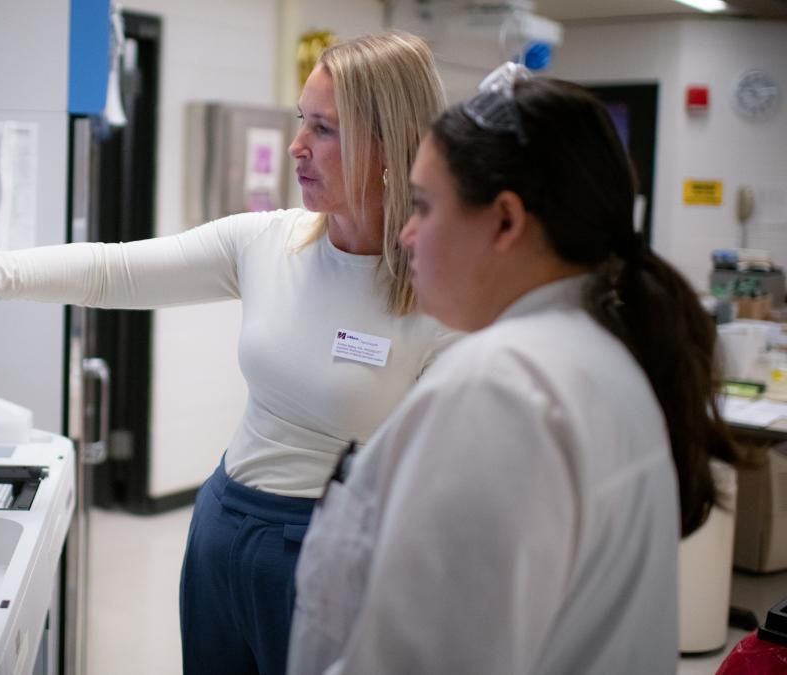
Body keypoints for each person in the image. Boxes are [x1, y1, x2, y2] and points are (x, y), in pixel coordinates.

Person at [0, 32, 455, 675]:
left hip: (330, 555)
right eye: (300, 120)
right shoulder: (269, 243)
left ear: (390, 145)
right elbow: (112, 271)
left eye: (325, 129)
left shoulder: (442, 296)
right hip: (223, 526)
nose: (296, 146)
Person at [287, 64, 743, 675]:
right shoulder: (602, 358)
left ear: (505, 220)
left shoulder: (500, 390)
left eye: (423, 205)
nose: (406, 234)